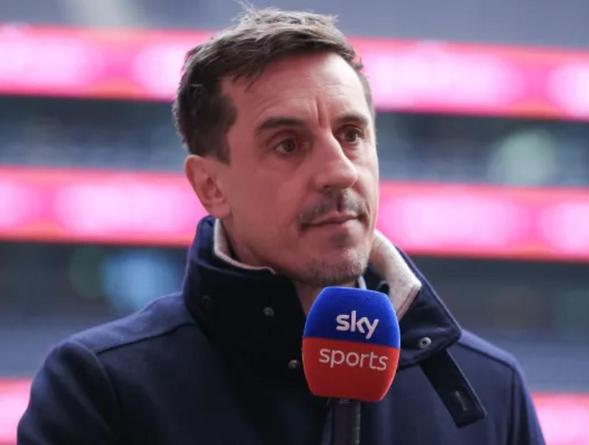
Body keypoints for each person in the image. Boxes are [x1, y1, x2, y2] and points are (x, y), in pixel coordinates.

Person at [18, 7, 545, 445]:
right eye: (288, 145)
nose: (340, 171)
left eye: (352, 134)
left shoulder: (489, 390)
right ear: (211, 186)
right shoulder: (98, 389)